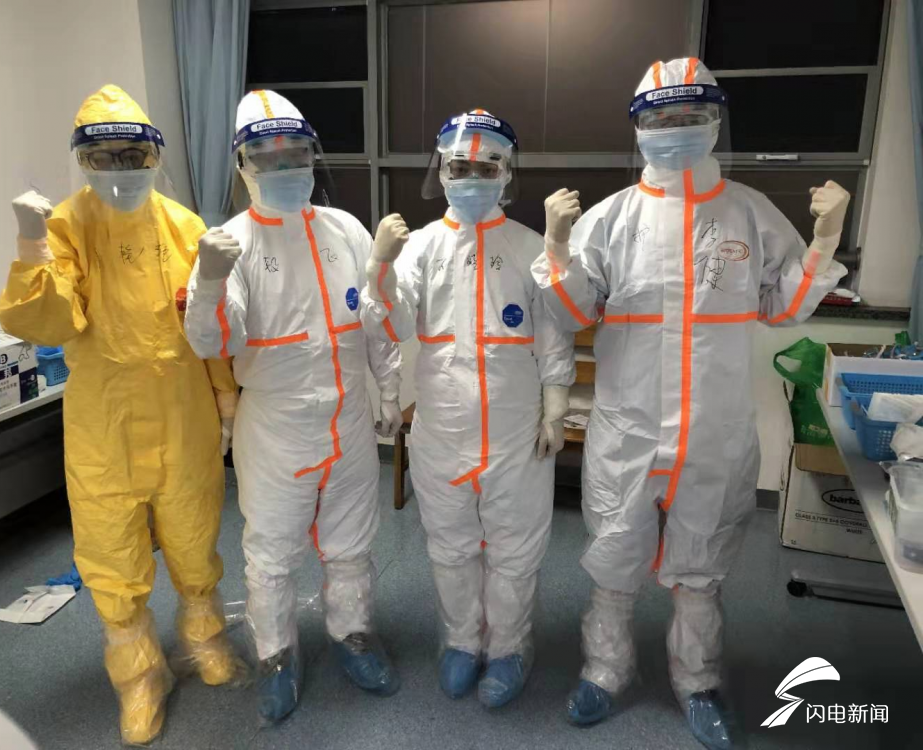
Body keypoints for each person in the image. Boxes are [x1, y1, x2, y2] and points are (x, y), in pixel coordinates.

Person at [532, 58, 849, 749]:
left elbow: (784, 307)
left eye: (691, 116)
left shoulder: (749, 212)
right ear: (638, 128)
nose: (676, 129)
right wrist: (556, 249)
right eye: (662, 118)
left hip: (714, 430)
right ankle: (604, 671)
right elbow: (572, 310)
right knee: (614, 562)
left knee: (700, 573)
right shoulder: (612, 218)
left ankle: (697, 682)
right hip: (629, 431)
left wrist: (823, 243)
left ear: (715, 121)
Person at [0, 84, 241, 746]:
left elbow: (208, 325)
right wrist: (30, 248)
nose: (120, 169)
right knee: (111, 549)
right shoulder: (65, 227)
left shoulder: (184, 226)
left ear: (153, 156)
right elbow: (49, 323)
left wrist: (225, 395)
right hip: (104, 421)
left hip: (183, 411)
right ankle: (138, 679)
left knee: (194, 532)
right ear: (83, 161)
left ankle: (205, 638)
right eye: (103, 158)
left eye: (133, 156)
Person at [183, 89, 404, 724]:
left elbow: (373, 319)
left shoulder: (345, 229)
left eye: (296, 154)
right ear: (243, 165)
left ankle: (353, 635)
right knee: (273, 552)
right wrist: (209, 281)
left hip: (348, 416)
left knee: (351, 542)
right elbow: (213, 341)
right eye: (267, 156)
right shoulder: (231, 243)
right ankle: (276, 658)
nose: (284, 167)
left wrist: (389, 388)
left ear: (312, 155)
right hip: (276, 424)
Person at [361, 111, 575, 708]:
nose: (473, 178)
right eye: (460, 167)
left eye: (487, 167)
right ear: (442, 171)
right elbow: (392, 324)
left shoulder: (530, 247)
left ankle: (508, 649)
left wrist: (555, 408)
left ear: (506, 172)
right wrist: (380, 266)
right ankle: (460, 641)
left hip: (515, 434)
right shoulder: (421, 247)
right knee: (451, 545)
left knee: (515, 548)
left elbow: (553, 334)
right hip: (443, 432)